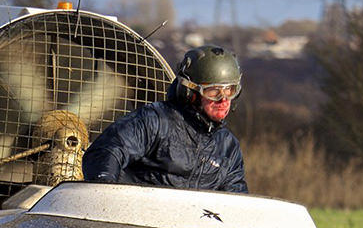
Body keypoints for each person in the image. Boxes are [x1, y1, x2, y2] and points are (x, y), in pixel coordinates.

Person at [82, 45, 248, 193]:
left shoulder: (228, 148)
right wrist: (105, 192)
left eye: (230, 90)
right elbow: (107, 151)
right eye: (213, 91)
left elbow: (237, 203)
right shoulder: (155, 121)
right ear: (190, 93)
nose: (224, 100)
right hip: (138, 218)